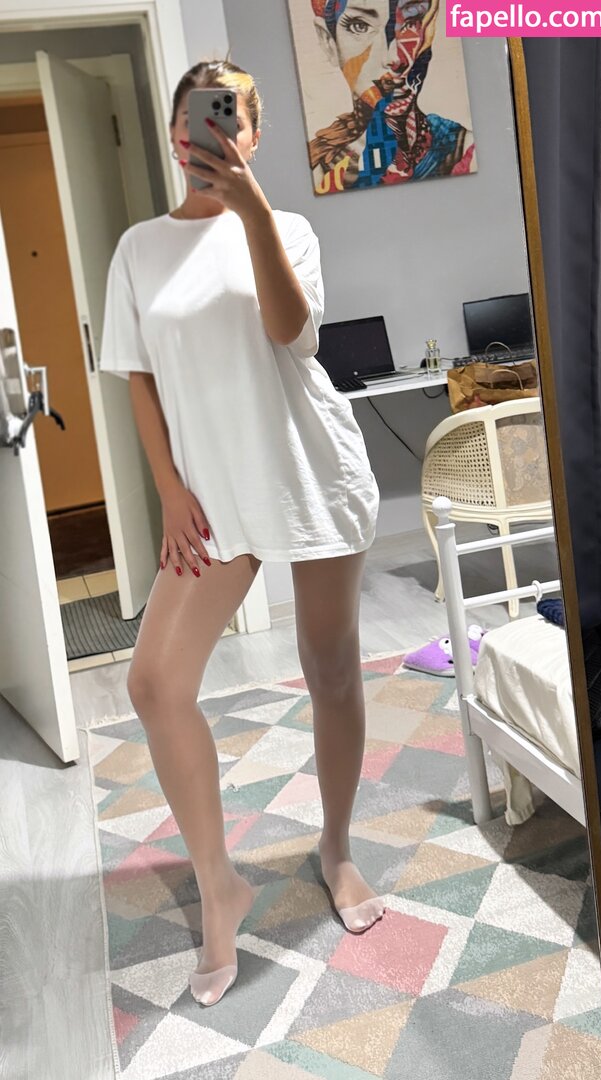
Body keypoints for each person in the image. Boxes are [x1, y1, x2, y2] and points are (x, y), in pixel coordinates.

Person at [99, 58, 384, 1009]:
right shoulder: (138, 249)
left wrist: (253, 208)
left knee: (330, 667)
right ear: (173, 134)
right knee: (153, 683)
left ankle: (335, 847)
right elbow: (139, 379)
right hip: (213, 497)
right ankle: (219, 884)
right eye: (193, 120)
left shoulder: (287, 227)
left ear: (252, 135)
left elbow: (292, 331)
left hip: (309, 469)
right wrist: (168, 491)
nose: (206, 135)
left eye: (225, 120)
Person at [309, 0, 476, 193]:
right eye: (359, 26)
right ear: (328, 41)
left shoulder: (467, 151)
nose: (393, 58)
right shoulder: (316, 173)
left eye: (411, 22)